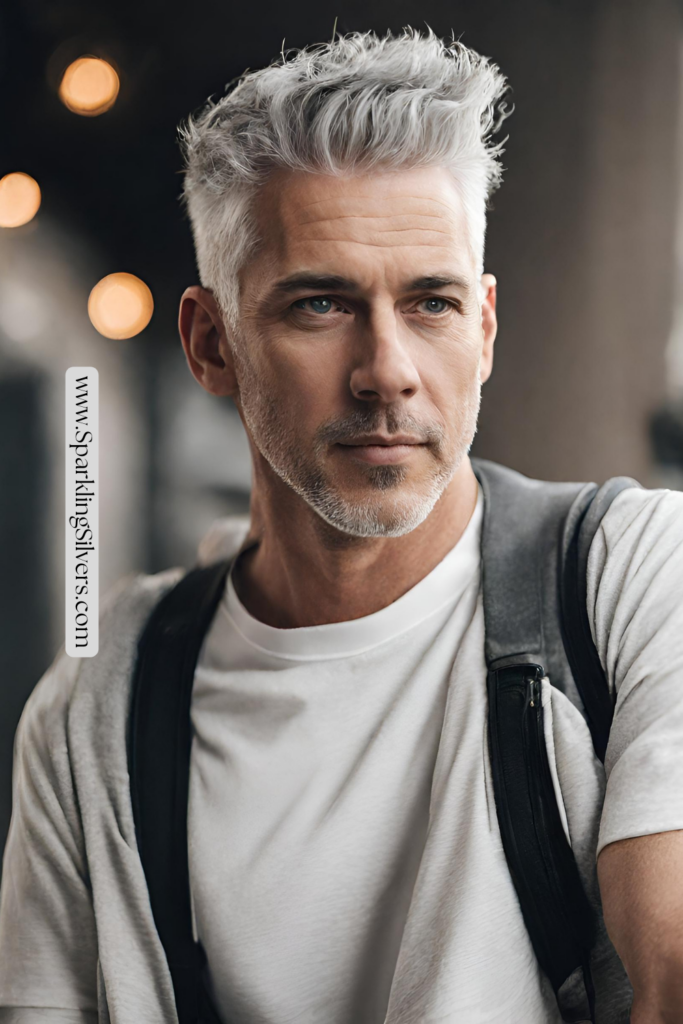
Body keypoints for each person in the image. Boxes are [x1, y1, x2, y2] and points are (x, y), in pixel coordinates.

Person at [1, 28, 683, 1024]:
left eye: (431, 302)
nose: (387, 370)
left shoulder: (624, 578)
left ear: (483, 329)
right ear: (209, 342)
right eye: (320, 304)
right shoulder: (99, 703)